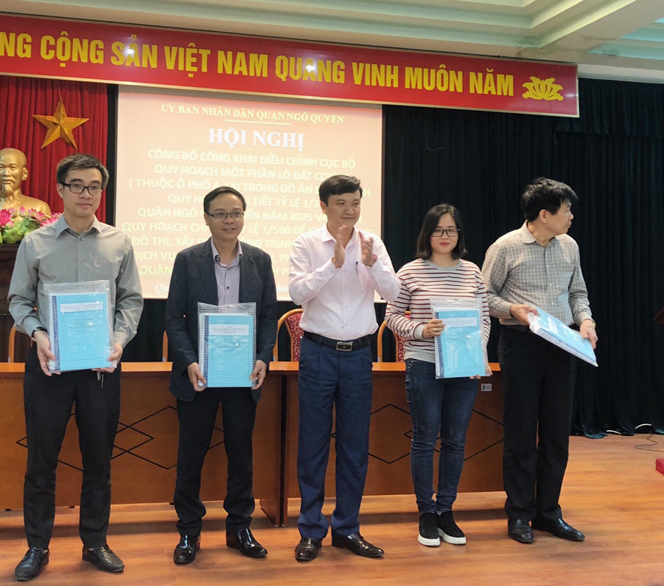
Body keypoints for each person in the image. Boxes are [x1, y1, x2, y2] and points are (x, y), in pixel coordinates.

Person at [8, 153, 143, 581]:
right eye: (78, 185)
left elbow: (131, 300)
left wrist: (119, 339)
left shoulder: (119, 242)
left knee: (99, 459)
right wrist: (38, 334)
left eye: (94, 187)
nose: (87, 194)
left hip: (101, 368)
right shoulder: (35, 243)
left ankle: (95, 543)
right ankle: (37, 547)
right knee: (41, 460)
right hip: (50, 364)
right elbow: (18, 300)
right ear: (60, 189)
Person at [288, 174, 401, 562]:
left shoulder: (372, 243)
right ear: (324, 206)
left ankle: (347, 528)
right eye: (341, 203)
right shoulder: (306, 243)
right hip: (318, 353)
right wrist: (332, 265)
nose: (349, 210)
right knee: (313, 444)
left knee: (354, 445)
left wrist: (374, 266)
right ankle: (311, 530)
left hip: (358, 356)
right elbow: (297, 293)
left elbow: (394, 293)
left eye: (355, 202)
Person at [165, 186, 277, 565]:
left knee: (241, 454)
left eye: (236, 213)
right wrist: (189, 361)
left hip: (242, 375)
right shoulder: (187, 260)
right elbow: (173, 318)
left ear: (243, 216)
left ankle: (239, 528)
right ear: (206, 218)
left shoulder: (260, 260)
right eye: (221, 213)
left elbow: (268, 317)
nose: (229, 220)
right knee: (191, 455)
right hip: (198, 376)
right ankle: (189, 531)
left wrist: (263, 357)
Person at [481, 178, 597, 545]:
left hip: (563, 343)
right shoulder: (505, 247)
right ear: (544, 215)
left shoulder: (570, 246)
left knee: (556, 432)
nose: (571, 217)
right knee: (520, 432)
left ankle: (549, 512)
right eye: (567, 211)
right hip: (521, 343)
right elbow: (483, 295)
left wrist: (586, 320)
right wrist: (512, 308)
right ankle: (519, 513)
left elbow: (578, 292)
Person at [384, 204, 490, 547]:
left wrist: (476, 353)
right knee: (425, 438)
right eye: (438, 230)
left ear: (459, 234)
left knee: (456, 440)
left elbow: (484, 319)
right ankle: (426, 512)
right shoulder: (410, 272)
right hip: (424, 363)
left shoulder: (472, 272)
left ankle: (446, 510)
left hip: (462, 365)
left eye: (451, 230)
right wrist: (420, 329)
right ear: (427, 233)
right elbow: (391, 316)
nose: (445, 236)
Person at [0, 148, 52, 215]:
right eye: (1, 168)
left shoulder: (40, 208)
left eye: (12, 167)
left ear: (24, 173)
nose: (6, 173)